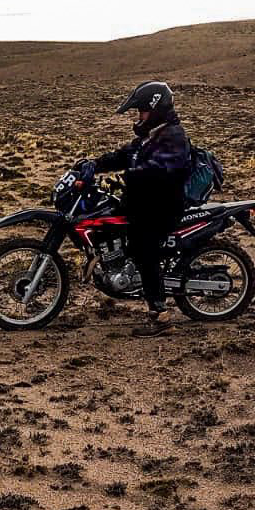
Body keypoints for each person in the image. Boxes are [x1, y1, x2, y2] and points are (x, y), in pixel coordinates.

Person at [94, 81, 191, 337]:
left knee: (144, 246)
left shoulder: (174, 136)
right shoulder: (152, 136)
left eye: (142, 111)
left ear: (156, 108)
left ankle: (160, 316)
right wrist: (92, 165)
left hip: (163, 207)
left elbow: (159, 171)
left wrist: (126, 178)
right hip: (146, 203)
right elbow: (124, 155)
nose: (139, 117)